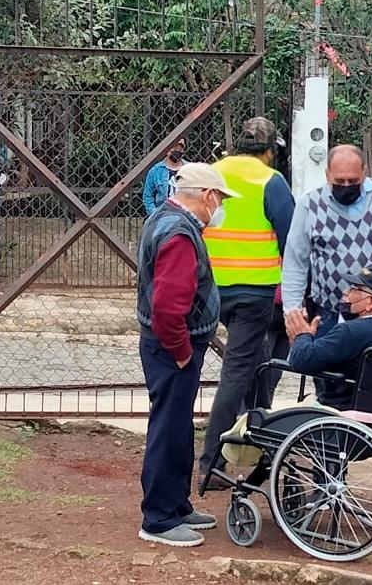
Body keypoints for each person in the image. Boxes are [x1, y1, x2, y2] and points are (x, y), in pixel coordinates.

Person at [135, 163, 240, 547]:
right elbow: (167, 306)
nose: (221, 208)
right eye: (221, 200)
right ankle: (159, 518)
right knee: (168, 426)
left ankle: (175, 504)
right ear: (209, 196)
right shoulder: (179, 233)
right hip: (171, 347)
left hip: (168, 343)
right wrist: (180, 351)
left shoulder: (164, 218)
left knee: (177, 425)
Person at [198, 117, 294, 487]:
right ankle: (212, 462)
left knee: (255, 366)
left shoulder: (211, 174)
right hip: (256, 293)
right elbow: (292, 240)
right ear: (270, 151)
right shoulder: (271, 181)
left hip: (212, 291)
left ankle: (258, 442)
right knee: (238, 374)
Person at [281, 145, 372, 372]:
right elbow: (296, 262)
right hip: (329, 311)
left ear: (364, 172)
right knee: (328, 381)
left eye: (353, 181)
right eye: (339, 181)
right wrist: (292, 312)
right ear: (327, 175)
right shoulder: (310, 204)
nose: (346, 186)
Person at [284, 265, 372, 505]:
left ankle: (325, 487)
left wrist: (302, 336)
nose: (346, 293)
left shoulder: (350, 332)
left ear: (370, 302)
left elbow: (302, 361)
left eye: (354, 289)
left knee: (306, 408)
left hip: (345, 426)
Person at [142, 137, 187, 215]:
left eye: (180, 150)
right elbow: (148, 195)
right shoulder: (156, 170)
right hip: (163, 214)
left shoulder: (190, 169)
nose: (177, 152)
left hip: (184, 215)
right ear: (167, 151)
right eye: (175, 149)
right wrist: (155, 214)